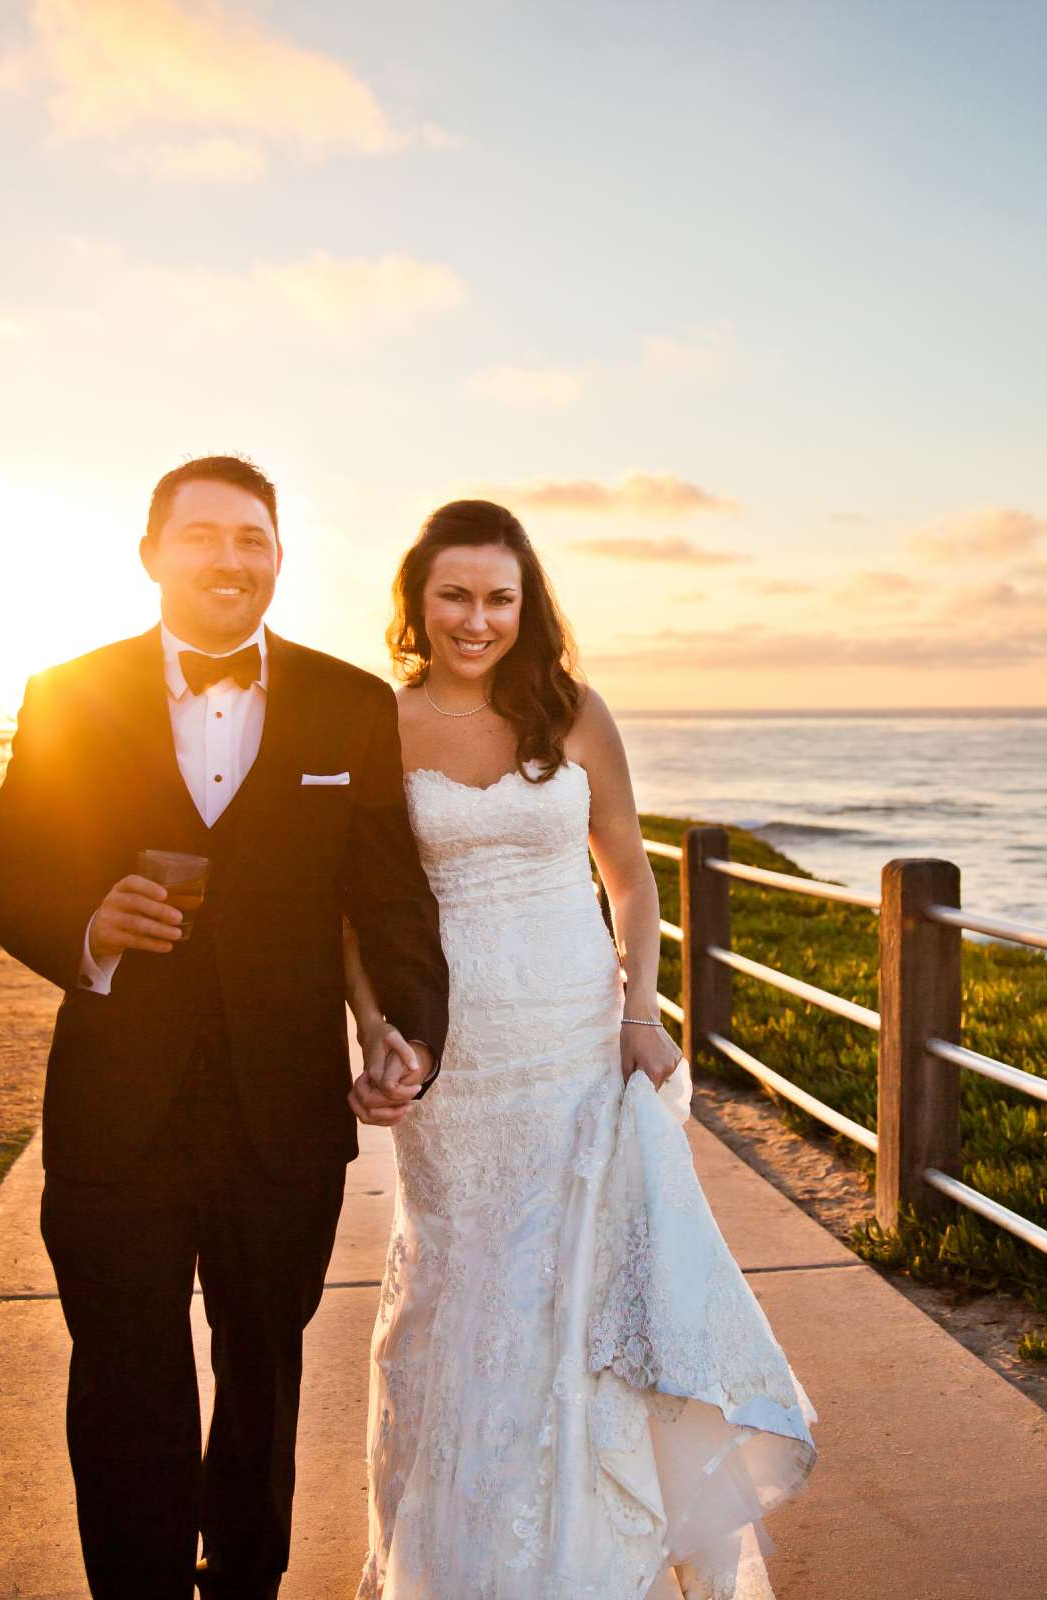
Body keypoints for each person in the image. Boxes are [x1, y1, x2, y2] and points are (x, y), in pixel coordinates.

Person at [0, 455, 449, 1600]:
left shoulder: (351, 703)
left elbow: (388, 896)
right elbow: (9, 875)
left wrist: (412, 1035)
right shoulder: (66, 692)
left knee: (264, 1378)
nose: (230, 559)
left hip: (282, 1117)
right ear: (151, 554)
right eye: (203, 537)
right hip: (114, 1109)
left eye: (253, 539)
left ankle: (245, 1582)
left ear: (280, 557)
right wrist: (87, 923)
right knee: (126, 1378)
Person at [349, 501, 817, 1599]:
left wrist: (640, 1011)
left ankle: (584, 1557)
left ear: (529, 602)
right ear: (419, 598)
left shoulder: (573, 712)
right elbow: (357, 910)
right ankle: (450, 1561)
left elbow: (633, 877)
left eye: (500, 597)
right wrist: (375, 1026)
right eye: (455, 595)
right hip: (457, 1060)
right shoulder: (383, 724)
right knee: (461, 1296)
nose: (477, 619)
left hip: (571, 1039)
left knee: (577, 1291)